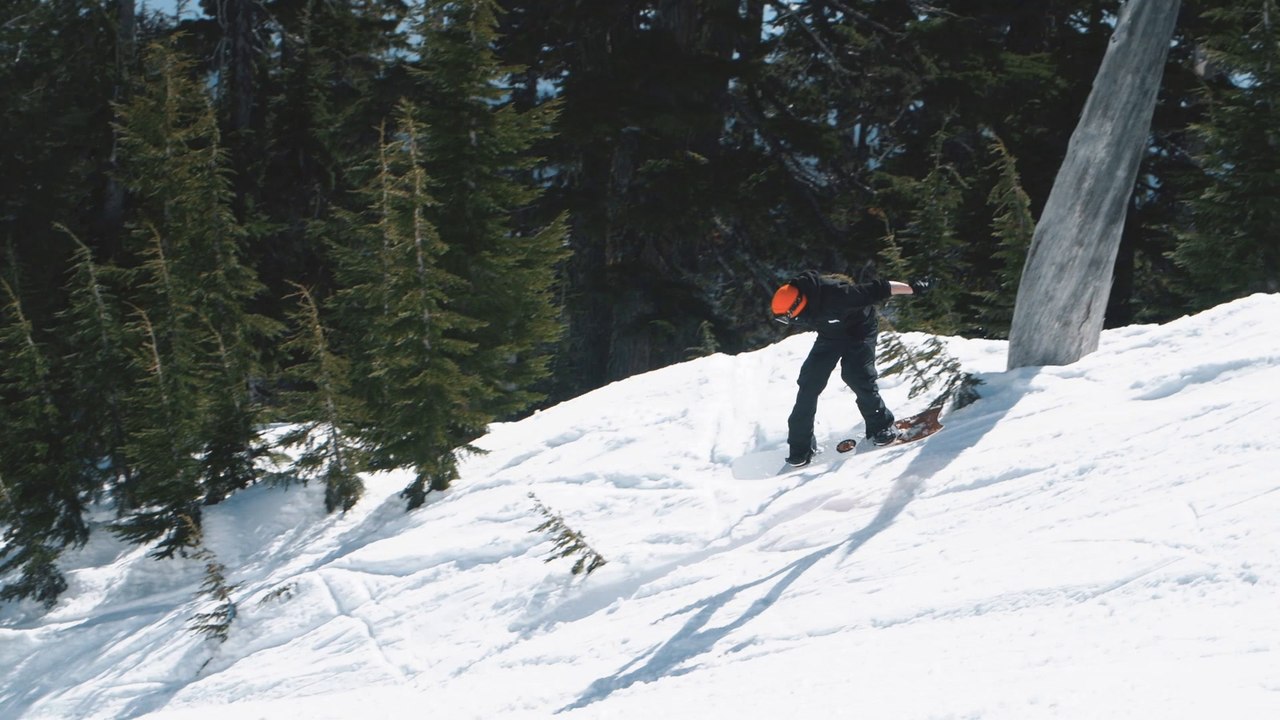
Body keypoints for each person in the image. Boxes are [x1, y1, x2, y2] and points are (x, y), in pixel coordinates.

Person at [771, 270, 930, 467]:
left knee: (856, 376)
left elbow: (880, 288)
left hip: (860, 331)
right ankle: (800, 447)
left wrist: (913, 288)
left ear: (798, 305)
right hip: (830, 337)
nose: (786, 323)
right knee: (809, 383)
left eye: (786, 318)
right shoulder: (801, 305)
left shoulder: (838, 295)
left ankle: (881, 427)